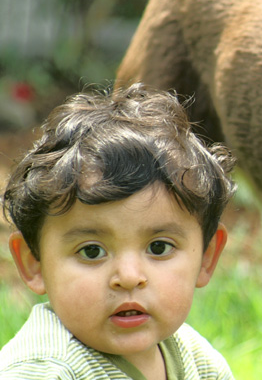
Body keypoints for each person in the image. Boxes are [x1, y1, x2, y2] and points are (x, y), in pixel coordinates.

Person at [0, 83, 236, 380]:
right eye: (91, 251)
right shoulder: (45, 370)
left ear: (206, 257)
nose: (128, 277)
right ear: (34, 262)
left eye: (159, 247)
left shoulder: (196, 358)